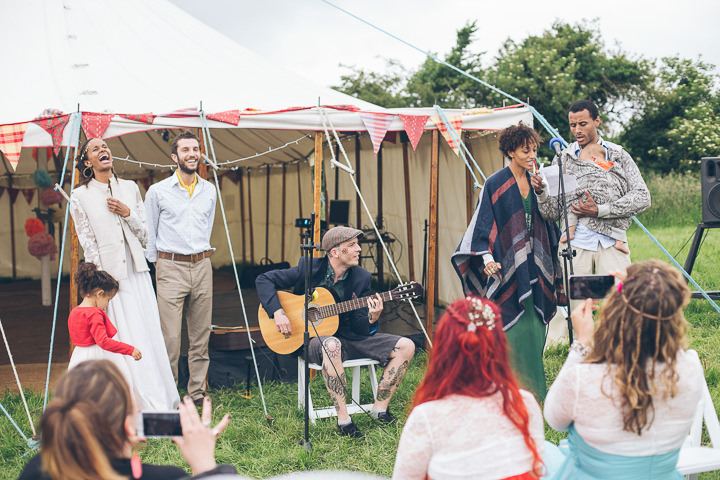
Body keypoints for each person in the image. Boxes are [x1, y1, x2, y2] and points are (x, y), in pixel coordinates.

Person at [544, 259, 704, 479]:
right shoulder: (690, 368)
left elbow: (554, 420)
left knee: (543, 452)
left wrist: (582, 343)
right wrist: (646, 292)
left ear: (614, 315)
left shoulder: (584, 377)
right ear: (673, 317)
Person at [255, 226, 416, 437]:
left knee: (406, 345)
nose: (359, 249)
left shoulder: (361, 278)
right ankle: (344, 421)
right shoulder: (309, 268)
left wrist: (372, 317)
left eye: (358, 245)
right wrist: (278, 312)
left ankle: (380, 410)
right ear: (335, 252)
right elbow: (263, 280)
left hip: (349, 337)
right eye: (352, 245)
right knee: (332, 344)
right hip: (312, 341)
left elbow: (359, 326)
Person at [452, 123, 561, 401]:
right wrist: (486, 257)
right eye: (526, 150)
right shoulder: (496, 183)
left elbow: (550, 218)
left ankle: (535, 396)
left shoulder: (538, 179)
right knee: (509, 332)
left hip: (537, 264)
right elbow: (483, 224)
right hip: (505, 266)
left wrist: (542, 192)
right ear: (510, 151)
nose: (532, 155)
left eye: (534, 149)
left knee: (535, 332)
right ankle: (505, 394)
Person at [69, 137, 179, 410]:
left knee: (145, 331)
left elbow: (146, 236)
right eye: (95, 149)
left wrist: (127, 213)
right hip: (109, 280)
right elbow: (88, 243)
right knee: (118, 335)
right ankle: (124, 399)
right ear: (87, 162)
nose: (103, 150)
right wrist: (98, 288)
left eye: (105, 146)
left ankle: (155, 394)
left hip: (138, 274)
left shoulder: (130, 188)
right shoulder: (79, 196)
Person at [393, 296, 544, 480]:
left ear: (443, 349)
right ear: (499, 346)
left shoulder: (427, 417)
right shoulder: (525, 404)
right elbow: (537, 471)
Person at [17, 360, 235, 480]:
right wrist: (205, 466)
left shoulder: (37, 469)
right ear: (128, 427)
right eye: (135, 409)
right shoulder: (166, 477)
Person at [532, 100, 650, 281]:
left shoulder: (618, 155)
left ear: (597, 121)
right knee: (578, 303)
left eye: (583, 124)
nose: (577, 130)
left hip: (612, 242)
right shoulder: (562, 159)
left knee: (619, 302)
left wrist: (600, 211)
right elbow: (552, 212)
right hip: (574, 246)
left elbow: (642, 197)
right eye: (572, 125)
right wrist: (542, 193)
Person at [144, 131, 217, 406]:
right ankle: (168, 395)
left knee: (200, 335)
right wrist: (157, 264)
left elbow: (206, 228)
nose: (192, 154)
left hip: (202, 265)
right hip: (170, 266)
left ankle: (197, 393)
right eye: (185, 150)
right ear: (175, 157)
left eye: (195, 149)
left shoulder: (209, 190)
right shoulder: (158, 191)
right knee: (170, 338)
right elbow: (149, 232)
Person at [68, 262, 141, 383]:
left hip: (79, 356)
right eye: (108, 299)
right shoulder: (94, 314)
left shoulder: (75, 312)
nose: (107, 304)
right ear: (100, 294)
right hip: (95, 356)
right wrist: (129, 349)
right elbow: (103, 341)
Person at [559, 143, 630, 254]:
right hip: (609, 201)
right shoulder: (612, 166)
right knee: (618, 220)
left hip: (595, 198)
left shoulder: (606, 166)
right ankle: (619, 241)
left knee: (573, 208)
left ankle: (570, 231)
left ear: (594, 158)